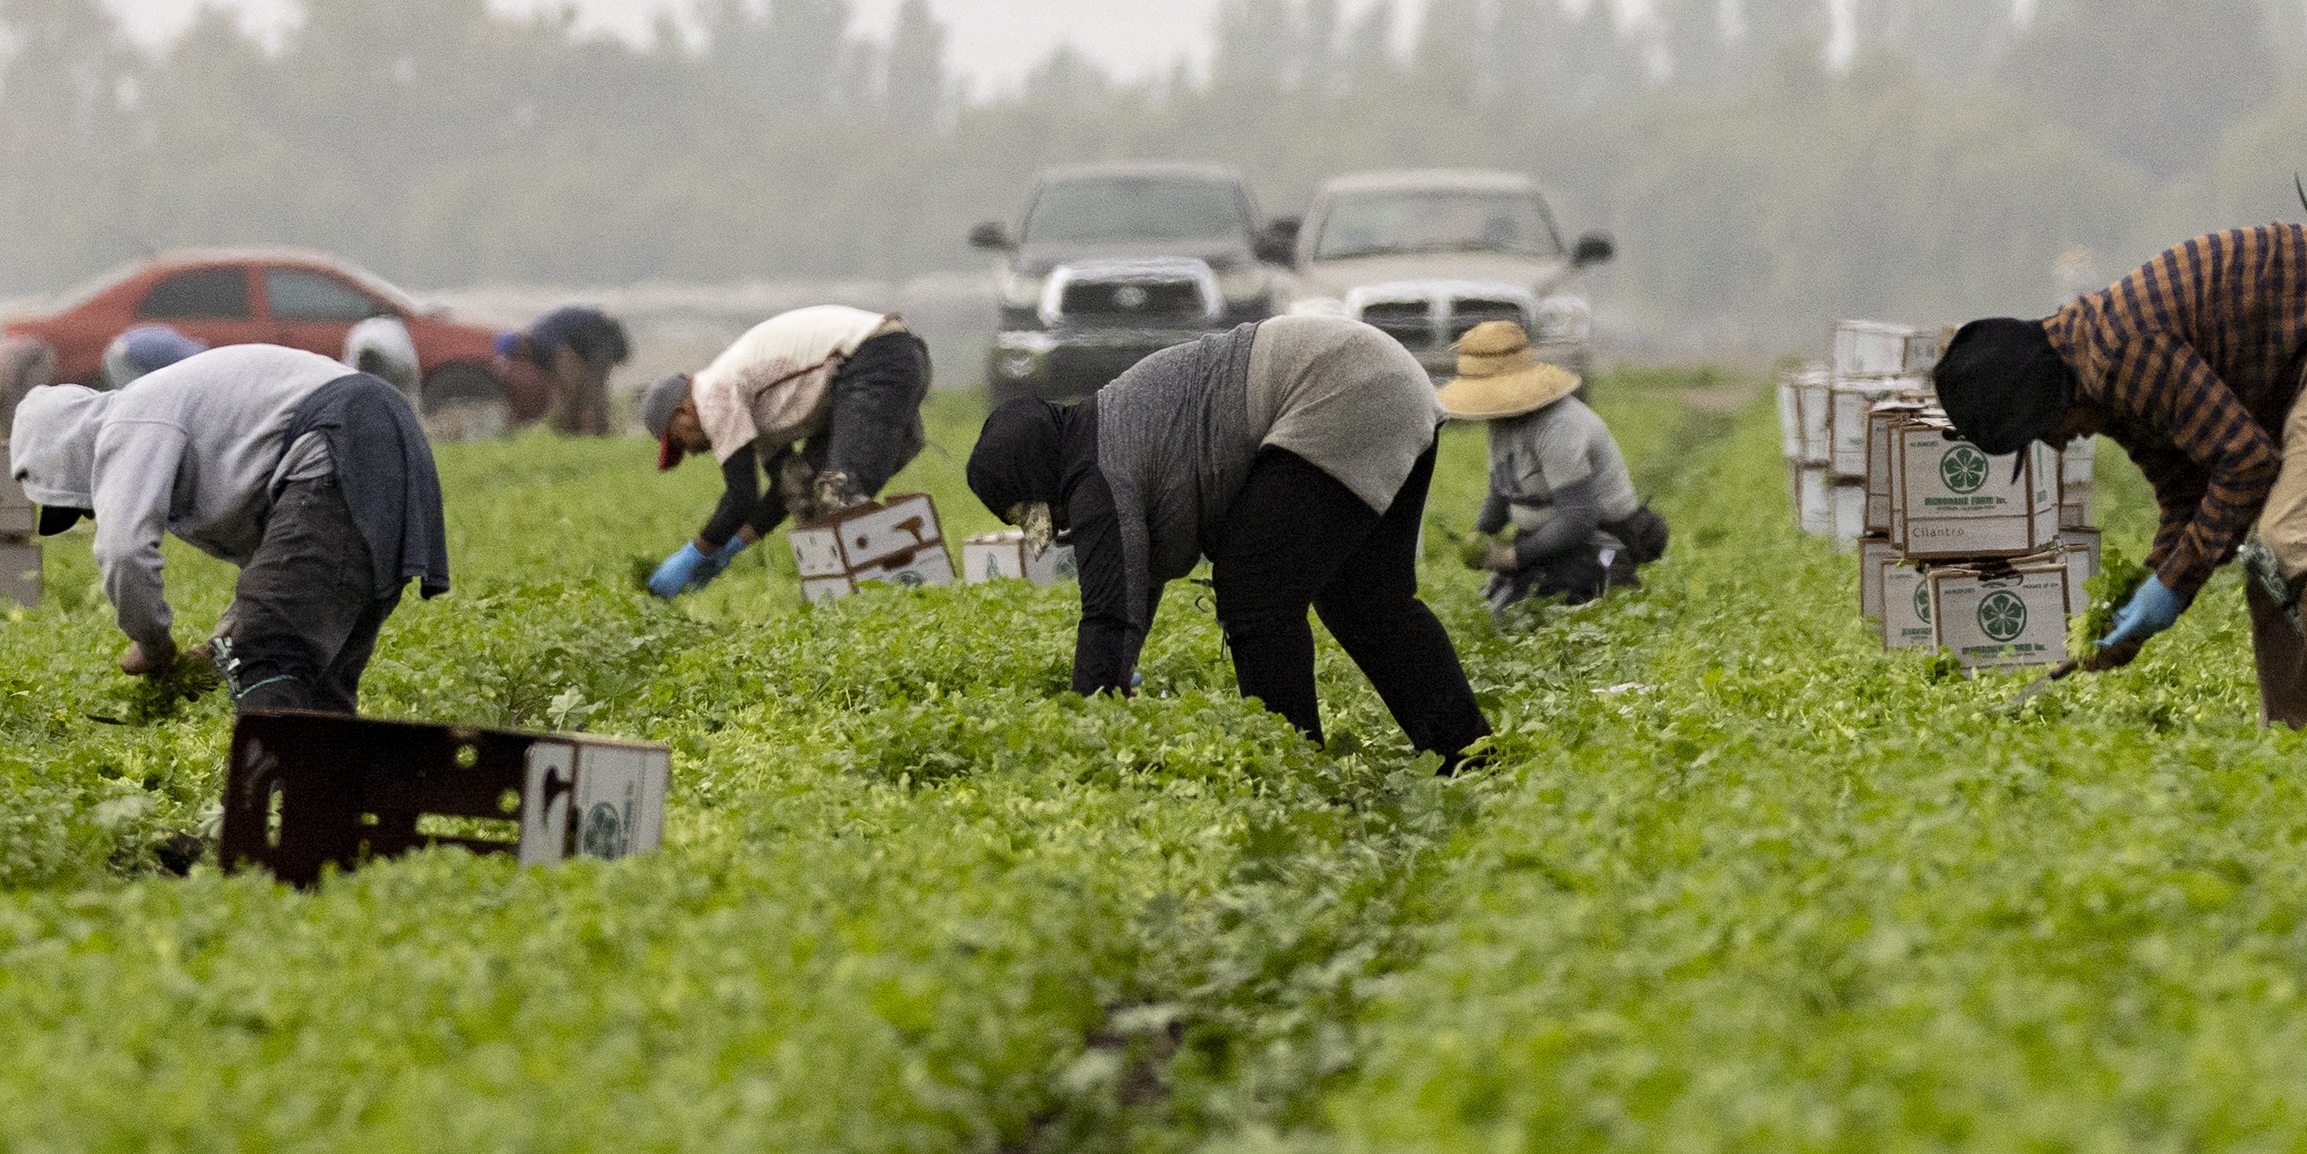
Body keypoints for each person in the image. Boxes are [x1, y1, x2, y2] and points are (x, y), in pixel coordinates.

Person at [1934, 222, 2307, 727]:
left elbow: (2247, 465)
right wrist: (2137, 608)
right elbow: (2188, 494)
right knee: (2270, 566)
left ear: (2050, 396)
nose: (2053, 441)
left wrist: (2171, 588)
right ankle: (2302, 746)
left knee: (2295, 541)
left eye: (2041, 429)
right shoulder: (2096, 378)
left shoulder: (2123, 354)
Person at [963, 312, 1485, 762]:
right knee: (1369, 602)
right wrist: (1116, 678)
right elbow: (1130, 591)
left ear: (1041, 473)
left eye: (1042, 510)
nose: (1054, 525)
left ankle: (1292, 764)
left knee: (1255, 594)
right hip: (1384, 375)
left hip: (1336, 383)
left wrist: (1087, 728)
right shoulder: (1105, 434)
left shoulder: (1098, 469)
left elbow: (1109, 611)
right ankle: (1466, 754)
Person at [9, 342, 448, 708]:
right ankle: (325, 807)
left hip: (342, 436)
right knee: (317, 687)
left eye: (77, 502)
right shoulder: (174, 417)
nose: (89, 511)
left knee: (264, 657)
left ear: (69, 455)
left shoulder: (132, 417)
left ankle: (264, 804)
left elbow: (123, 551)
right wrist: (226, 640)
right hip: (383, 436)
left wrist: (155, 647)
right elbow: (288, 562)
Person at [639, 306, 932, 595]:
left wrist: (695, 553)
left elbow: (741, 497)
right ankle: (845, 601)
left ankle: (906, 590)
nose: (690, 452)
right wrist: (734, 545)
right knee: (809, 502)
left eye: (679, 441)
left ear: (684, 411)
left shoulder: (712, 396)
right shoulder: (749, 409)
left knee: (839, 492)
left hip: (875, 357)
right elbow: (788, 490)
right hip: (882, 358)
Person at [1440, 319, 1669, 609]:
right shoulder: (1502, 423)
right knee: (1499, 604)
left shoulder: (1558, 426)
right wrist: (1481, 532)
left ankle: (1615, 576)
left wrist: (1511, 557)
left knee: (1529, 606)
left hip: (1596, 540)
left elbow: (1578, 519)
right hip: (1546, 539)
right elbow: (1501, 491)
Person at [501, 304, 635, 437]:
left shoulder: (543, 337)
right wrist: (561, 411)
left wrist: (569, 414)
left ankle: (601, 433)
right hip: (585, 347)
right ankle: (578, 432)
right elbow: (555, 385)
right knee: (577, 393)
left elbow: (574, 375)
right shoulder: (535, 356)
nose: (521, 356)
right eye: (517, 356)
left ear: (522, 341)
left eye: (519, 351)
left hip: (605, 332)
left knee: (593, 384)